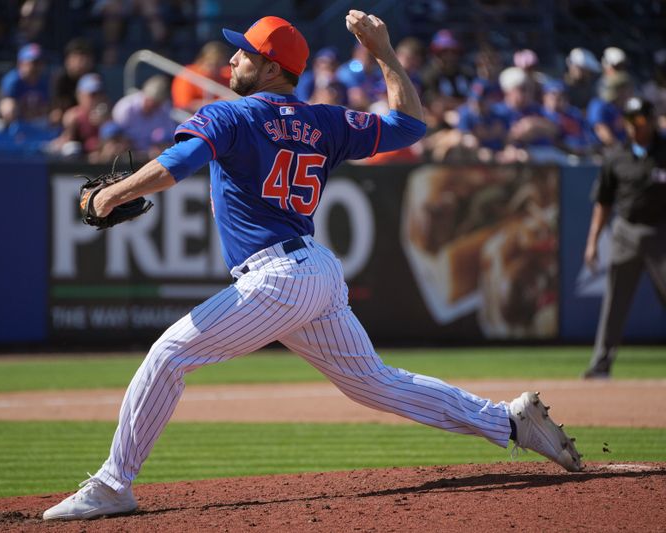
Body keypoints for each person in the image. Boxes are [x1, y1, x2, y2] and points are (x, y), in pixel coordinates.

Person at [42, 12, 583, 521]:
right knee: (375, 383)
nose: (232, 61)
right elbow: (408, 125)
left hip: (278, 276)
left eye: (244, 54)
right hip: (315, 273)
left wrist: (114, 194)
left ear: (272, 67)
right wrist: (385, 53)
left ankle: (114, 485)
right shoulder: (323, 121)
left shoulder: (228, 113)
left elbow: (178, 163)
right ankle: (509, 421)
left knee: (168, 355)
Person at [582, 97, 666, 379]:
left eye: (639, 122)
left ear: (651, 121)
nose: (633, 128)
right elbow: (603, 202)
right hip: (625, 232)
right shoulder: (616, 155)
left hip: (660, 233)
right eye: (629, 121)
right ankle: (600, 364)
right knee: (615, 301)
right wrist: (593, 242)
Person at [171, 41, 232, 113]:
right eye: (211, 63)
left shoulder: (226, 74)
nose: (215, 68)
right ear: (202, 60)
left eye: (219, 65)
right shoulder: (188, 75)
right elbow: (183, 105)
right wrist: (219, 103)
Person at [49, 37, 96, 125]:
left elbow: (100, 105)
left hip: (89, 121)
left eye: (84, 58)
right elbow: (56, 112)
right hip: (66, 123)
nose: (81, 63)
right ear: (67, 61)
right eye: (76, 58)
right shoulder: (60, 80)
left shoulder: (95, 77)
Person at [0, 43, 50, 124]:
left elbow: (46, 106)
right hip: (16, 122)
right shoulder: (13, 81)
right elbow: (5, 105)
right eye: (32, 63)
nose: (36, 67)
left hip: (37, 121)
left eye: (39, 62)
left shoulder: (44, 81)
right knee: (8, 107)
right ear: (21, 64)